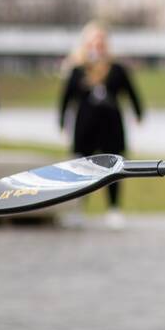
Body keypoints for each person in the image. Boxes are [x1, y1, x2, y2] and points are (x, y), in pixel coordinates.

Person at [58, 22, 143, 228]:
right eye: (93, 42)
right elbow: (67, 98)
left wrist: (139, 112)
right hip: (85, 125)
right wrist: (62, 120)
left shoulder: (117, 69)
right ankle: (78, 209)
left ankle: (114, 209)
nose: (97, 46)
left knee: (113, 168)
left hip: (111, 125)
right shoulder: (78, 69)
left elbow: (131, 93)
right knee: (81, 168)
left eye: (100, 41)